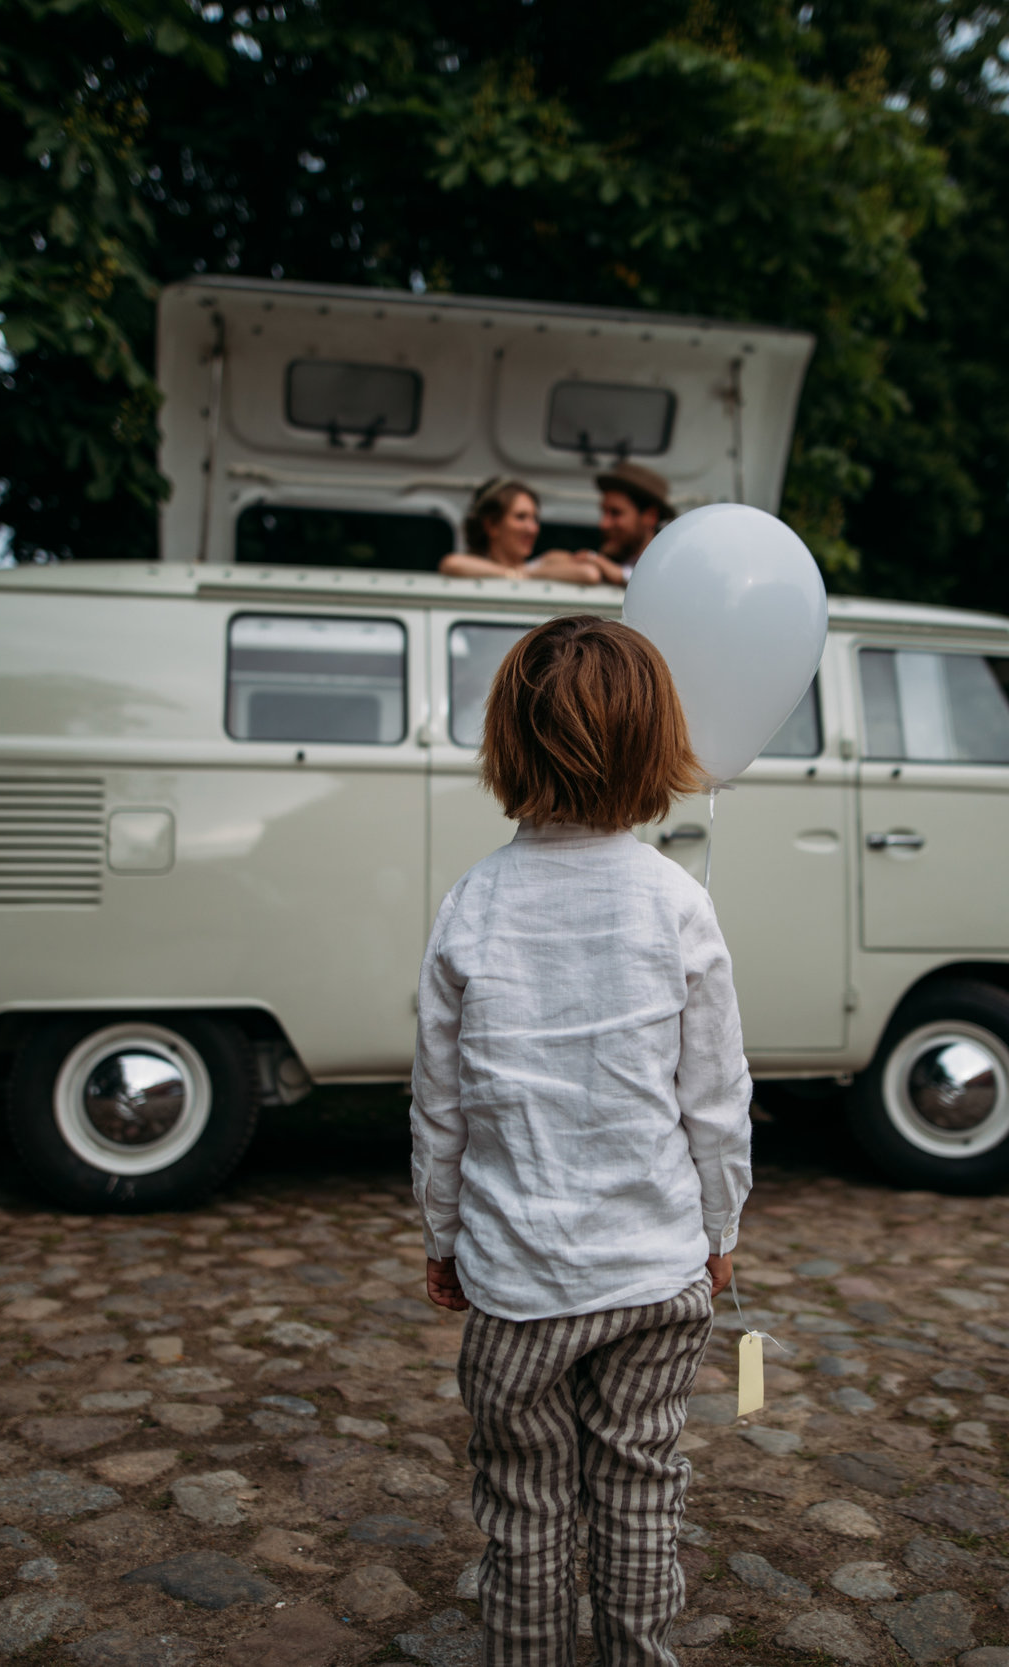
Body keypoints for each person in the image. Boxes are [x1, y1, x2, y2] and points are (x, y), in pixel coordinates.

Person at [411, 616, 752, 1667]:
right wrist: (718, 1224)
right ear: (658, 747)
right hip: (654, 1278)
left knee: (525, 1507)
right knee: (642, 1486)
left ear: (505, 746)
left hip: (518, 1285)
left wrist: (442, 1232)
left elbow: (441, 1101)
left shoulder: (471, 905)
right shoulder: (677, 903)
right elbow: (716, 1099)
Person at [440, 477, 614, 585]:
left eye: (535, 519)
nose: (532, 529)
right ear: (492, 526)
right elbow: (451, 563)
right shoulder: (474, 565)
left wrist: (526, 572)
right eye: (521, 517)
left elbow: (589, 574)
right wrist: (511, 573)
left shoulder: (545, 561)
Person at [591, 460, 675, 576]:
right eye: (604, 512)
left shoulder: (669, 567)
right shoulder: (611, 559)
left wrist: (619, 574)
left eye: (616, 513)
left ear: (650, 516)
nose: (604, 524)